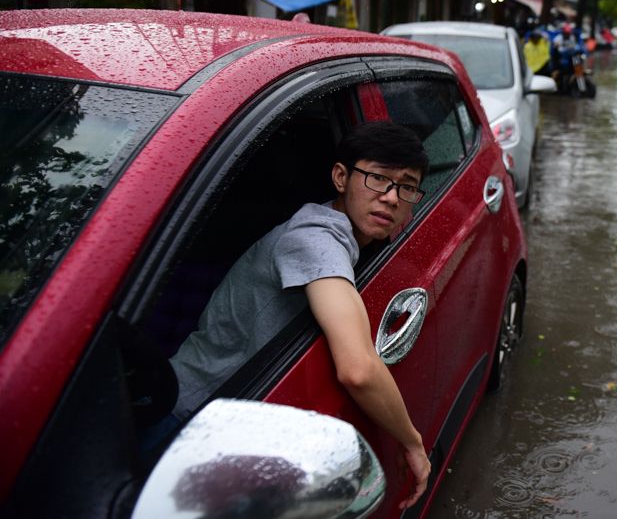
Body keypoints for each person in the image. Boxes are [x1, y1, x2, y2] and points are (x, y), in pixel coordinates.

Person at [167, 121, 432, 510]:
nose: (392, 198)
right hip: (187, 419)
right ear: (341, 177)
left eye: (406, 186)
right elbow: (358, 369)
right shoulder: (315, 240)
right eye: (378, 179)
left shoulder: (337, 232)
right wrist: (413, 443)